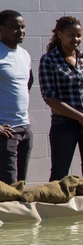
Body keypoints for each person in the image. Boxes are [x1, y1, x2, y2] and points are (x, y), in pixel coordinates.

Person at [39, 15, 83, 181]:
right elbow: (50, 98)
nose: (76, 39)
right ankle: (55, 206)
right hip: (64, 124)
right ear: (60, 34)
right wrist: (82, 118)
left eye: (78, 36)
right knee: (59, 174)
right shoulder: (49, 60)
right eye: (71, 35)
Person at [0, 10, 33, 185]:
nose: (21, 31)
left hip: (25, 128)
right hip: (6, 131)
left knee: (21, 183)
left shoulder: (25, 55)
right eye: (15, 28)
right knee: (8, 186)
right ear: (1, 29)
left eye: (23, 27)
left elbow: (26, 86)